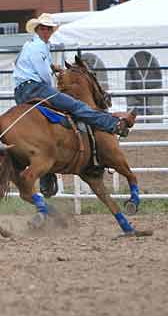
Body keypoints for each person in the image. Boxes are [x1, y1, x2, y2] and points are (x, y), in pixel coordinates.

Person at [13, 13, 136, 195]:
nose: (46, 31)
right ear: (38, 29)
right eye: (43, 28)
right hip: (36, 88)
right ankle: (113, 124)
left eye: (48, 28)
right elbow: (43, 75)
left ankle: (47, 177)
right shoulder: (39, 47)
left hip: (21, 92)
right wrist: (52, 86)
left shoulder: (30, 46)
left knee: (46, 131)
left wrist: (53, 68)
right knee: (76, 107)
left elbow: (25, 65)